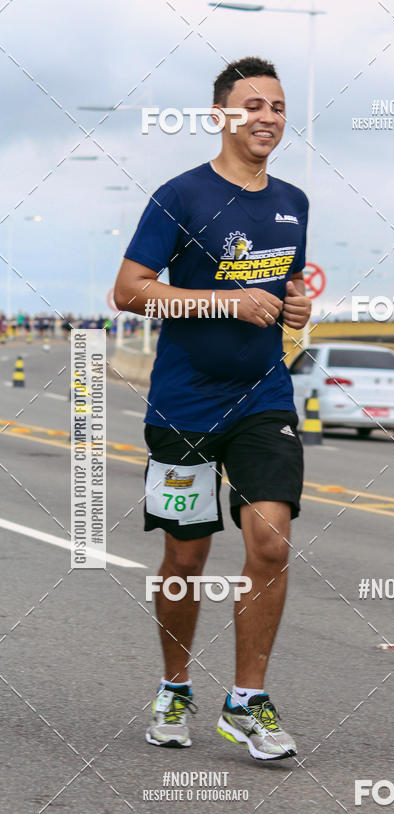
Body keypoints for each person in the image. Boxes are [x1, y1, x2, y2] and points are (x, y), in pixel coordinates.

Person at [114, 56, 311, 760]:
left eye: (279, 107)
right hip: (184, 403)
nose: (267, 117)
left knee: (271, 540)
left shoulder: (295, 200)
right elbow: (130, 290)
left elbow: (283, 298)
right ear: (222, 115)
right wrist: (224, 299)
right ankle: (175, 685)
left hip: (263, 397)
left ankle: (247, 700)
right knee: (186, 554)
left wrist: (296, 306)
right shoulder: (181, 197)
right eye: (253, 104)